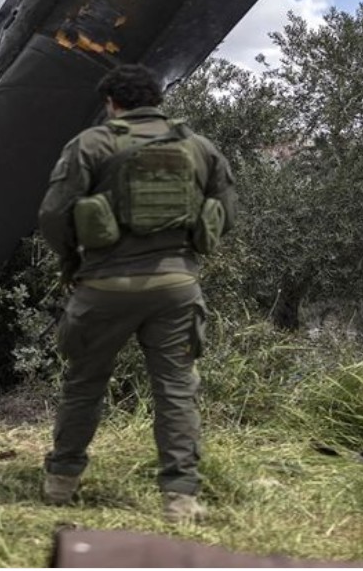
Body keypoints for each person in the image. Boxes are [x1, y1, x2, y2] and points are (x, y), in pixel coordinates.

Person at [36, 62, 237, 523]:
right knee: (175, 390)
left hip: (103, 287)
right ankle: (180, 499)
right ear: (157, 101)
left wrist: (72, 262)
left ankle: (61, 483)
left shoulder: (92, 143)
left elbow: (52, 214)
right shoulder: (198, 146)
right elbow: (227, 210)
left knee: (84, 384)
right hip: (175, 287)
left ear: (112, 103)